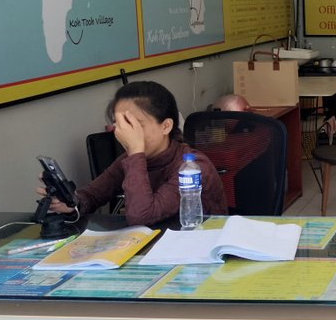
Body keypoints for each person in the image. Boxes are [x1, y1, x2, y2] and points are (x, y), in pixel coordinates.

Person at [42, 81, 227, 225]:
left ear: (166, 126)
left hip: (196, 248)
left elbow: (142, 216)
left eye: (136, 124)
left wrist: (136, 154)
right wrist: (70, 203)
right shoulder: (131, 159)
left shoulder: (194, 167)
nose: (127, 133)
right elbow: (92, 195)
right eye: (122, 124)